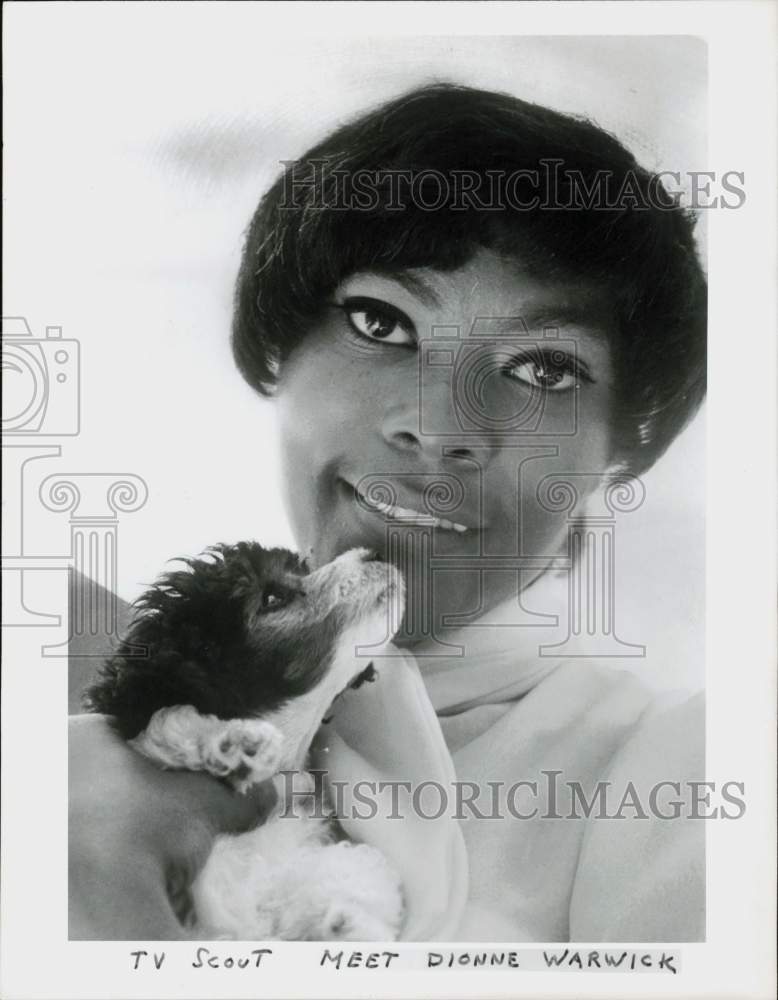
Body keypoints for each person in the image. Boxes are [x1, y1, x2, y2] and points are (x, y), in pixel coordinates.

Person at [69, 83, 707, 941]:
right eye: (380, 321)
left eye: (545, 370)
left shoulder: (680, 773)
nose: (440, 428)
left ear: (625, 443)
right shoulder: (78, 693)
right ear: (277, 348)